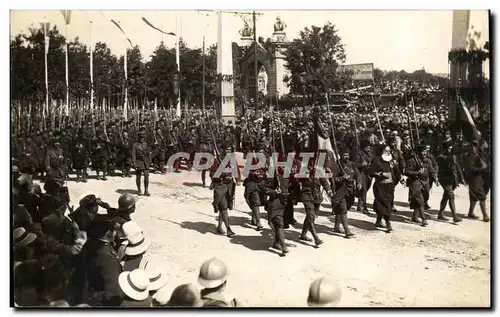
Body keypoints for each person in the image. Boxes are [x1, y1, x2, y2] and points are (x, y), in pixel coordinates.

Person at [83, 215, 123, 306]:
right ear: (108, 233)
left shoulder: (88, 245)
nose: (116, 233)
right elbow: (115, 292)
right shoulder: (108, 258)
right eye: (114, 231)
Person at [330, 149, 361, 238]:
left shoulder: (351, 164)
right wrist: (342, 178)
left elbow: (357, 174)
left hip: (350, 191)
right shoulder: (336, 165)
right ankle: (347, 231)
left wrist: (359, 182)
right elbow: (333, 179)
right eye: (344, 155)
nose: (346, 157)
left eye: (347, 155)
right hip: (340, 190)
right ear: (340, 155)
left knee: (343, 208)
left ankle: (336, 226)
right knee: (343, 209)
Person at [370, 144, 400, 232]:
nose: (387, 152)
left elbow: (396, 171)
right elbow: (370, 171)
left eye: (388, 151)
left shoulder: (391, 160)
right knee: (382, 203)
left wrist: (400, 178)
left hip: (389, 186)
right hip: (380, 186)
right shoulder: (376, 160)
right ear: (381, 151)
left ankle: (378, 221)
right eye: (385, 151)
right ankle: (388, 223)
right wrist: (381, 174)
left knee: (388, 203)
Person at [405, 145, 436, 227]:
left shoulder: (428, 161)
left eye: (426, 151)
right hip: (416, 182)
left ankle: (415, 217)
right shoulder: (412, 161)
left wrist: (435, 179)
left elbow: (431, 171)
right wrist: (417, 173)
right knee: (420, 201)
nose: (425, 153)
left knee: (424, 198)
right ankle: (424, 219)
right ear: (418, 152)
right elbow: (407, 171)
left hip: (426, 182)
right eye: (423, 151)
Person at [436, 140, 464, 223]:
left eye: (450, 148)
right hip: (444, 179)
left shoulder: (453, 156)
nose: (449, 150)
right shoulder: (441, 157)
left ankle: (440, 214)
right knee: (451, 196)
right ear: (444, 149)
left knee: (446, 196)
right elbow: (439, 169)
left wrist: (462, 178)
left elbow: (458, 167)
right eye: (448, 148)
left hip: (452, 179)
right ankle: (455, 217)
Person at [465, 140, 490, 222]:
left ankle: (470, 212)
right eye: (473, 145)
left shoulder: (483, 154)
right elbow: (469, 168)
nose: (474, 147)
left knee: (474, 197)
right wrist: (481, 168)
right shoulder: (471, 155)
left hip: (482, 178)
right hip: (474, 178)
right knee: (482, 196)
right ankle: (485, 215)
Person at [132, 129, 152, 196]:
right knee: (138, 177)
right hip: (138, 161)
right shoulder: (135, 145)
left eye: (143, 137)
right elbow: (133, 154)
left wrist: (150, 161)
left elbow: (148, 153)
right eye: (141, 137)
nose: (142, 139)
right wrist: (134, 162)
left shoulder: (146, 144)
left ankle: (146, 190)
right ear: (138, 137)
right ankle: (139, 190)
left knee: (146, 176)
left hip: (145, 161)